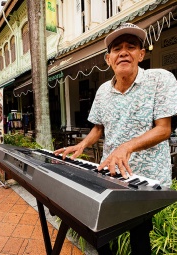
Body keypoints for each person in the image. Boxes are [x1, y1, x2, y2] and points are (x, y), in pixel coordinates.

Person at [54, 23, 177, 255]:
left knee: (139, 236)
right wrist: (82, 145)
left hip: (145, 180)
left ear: (141, 54)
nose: (123, 52)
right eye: (117, 48)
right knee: (101, 234)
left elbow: (163, 129)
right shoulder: (102, 91)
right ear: (108, 58)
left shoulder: (161, 79)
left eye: (131, 47)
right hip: (112, 176)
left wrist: (126, 147)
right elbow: (98, 129)